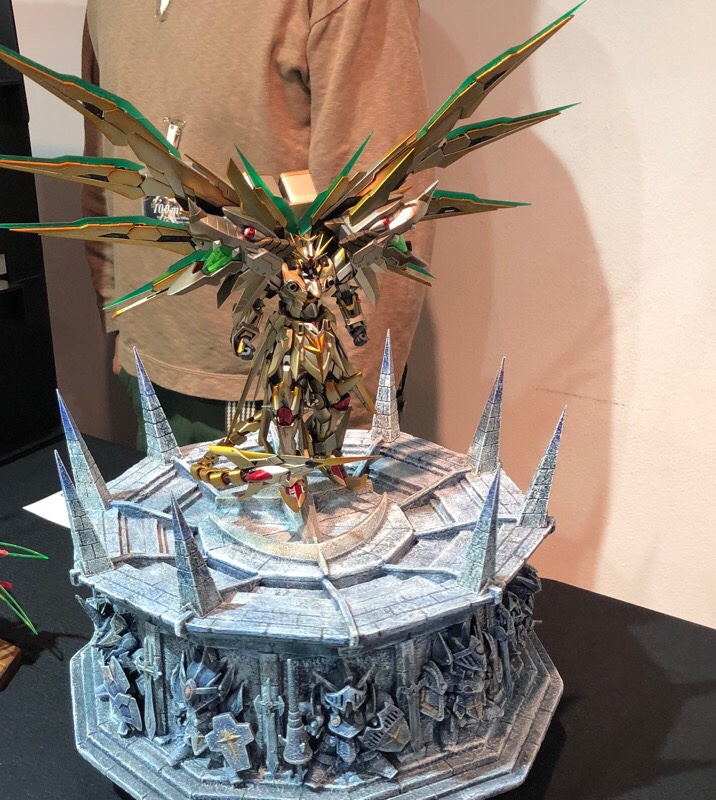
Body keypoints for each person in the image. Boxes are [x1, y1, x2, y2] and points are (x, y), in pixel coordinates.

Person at [82, 0, 433, 448]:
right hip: (148, 369)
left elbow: (384, 208)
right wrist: (119, 318)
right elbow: (104, 165)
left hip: (289, 391)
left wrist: (350, 405)